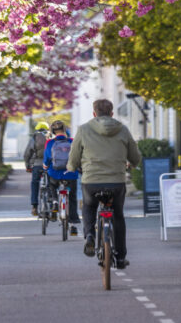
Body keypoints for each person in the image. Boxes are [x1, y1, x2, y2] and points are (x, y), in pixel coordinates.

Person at [67, 99, 141, 269]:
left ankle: (90, 236)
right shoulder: (122, 129)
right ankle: (121, 258)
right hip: (116, 182)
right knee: (118, 216)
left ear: (94, 113)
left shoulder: (84, 129)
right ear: (112, 113)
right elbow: (135, 156)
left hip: (91, 182)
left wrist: (72, 167)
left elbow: (74, 155)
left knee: (88, 206)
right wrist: (133, 164)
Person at [42, 120, 80, 235]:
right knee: (72, 198)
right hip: (70, 174)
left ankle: (54, 201)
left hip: (55, 174)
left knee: (51, 184)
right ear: (65, 130)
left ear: (53, 131)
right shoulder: (72, 142)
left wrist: (45, 167)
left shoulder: (49, 143)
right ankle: (73, 226)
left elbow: (46, 161)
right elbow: (79, 157)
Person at [23, 121, 51, 216]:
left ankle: (34, 206)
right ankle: (52, 204)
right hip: (50, 165)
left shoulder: (34, 138)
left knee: (35, 183)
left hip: (37, 165)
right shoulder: (51, 136)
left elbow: (27, 153)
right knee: (52, 184)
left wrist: (27, 166)